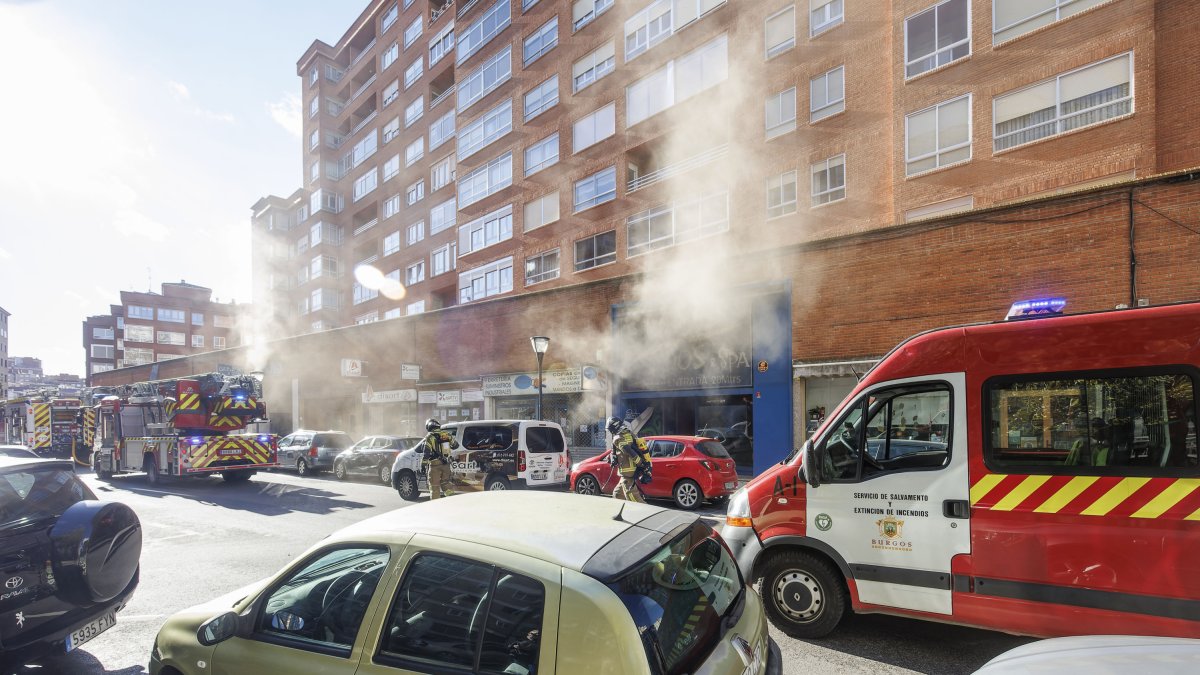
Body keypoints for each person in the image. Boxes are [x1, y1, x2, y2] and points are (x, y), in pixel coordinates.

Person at [607, 417, 652, 503]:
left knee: (633, 497)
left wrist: (640, 463)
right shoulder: (628, 433)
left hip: (628, 471)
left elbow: (627, 450)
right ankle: (621, 513)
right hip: (629, 470)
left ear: (613, 427)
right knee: (617, 494)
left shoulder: (619, 437)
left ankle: (645, 513)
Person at [420, 418, 459, 499]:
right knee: (446, 484)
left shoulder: (429, 437)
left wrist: (423, 465)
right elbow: (456, 445)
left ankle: (435, 508)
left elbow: (426, 453)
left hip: (435, 466)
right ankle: (451, 500)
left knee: (434, 487)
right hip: (446, 464)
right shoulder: (446, 434)